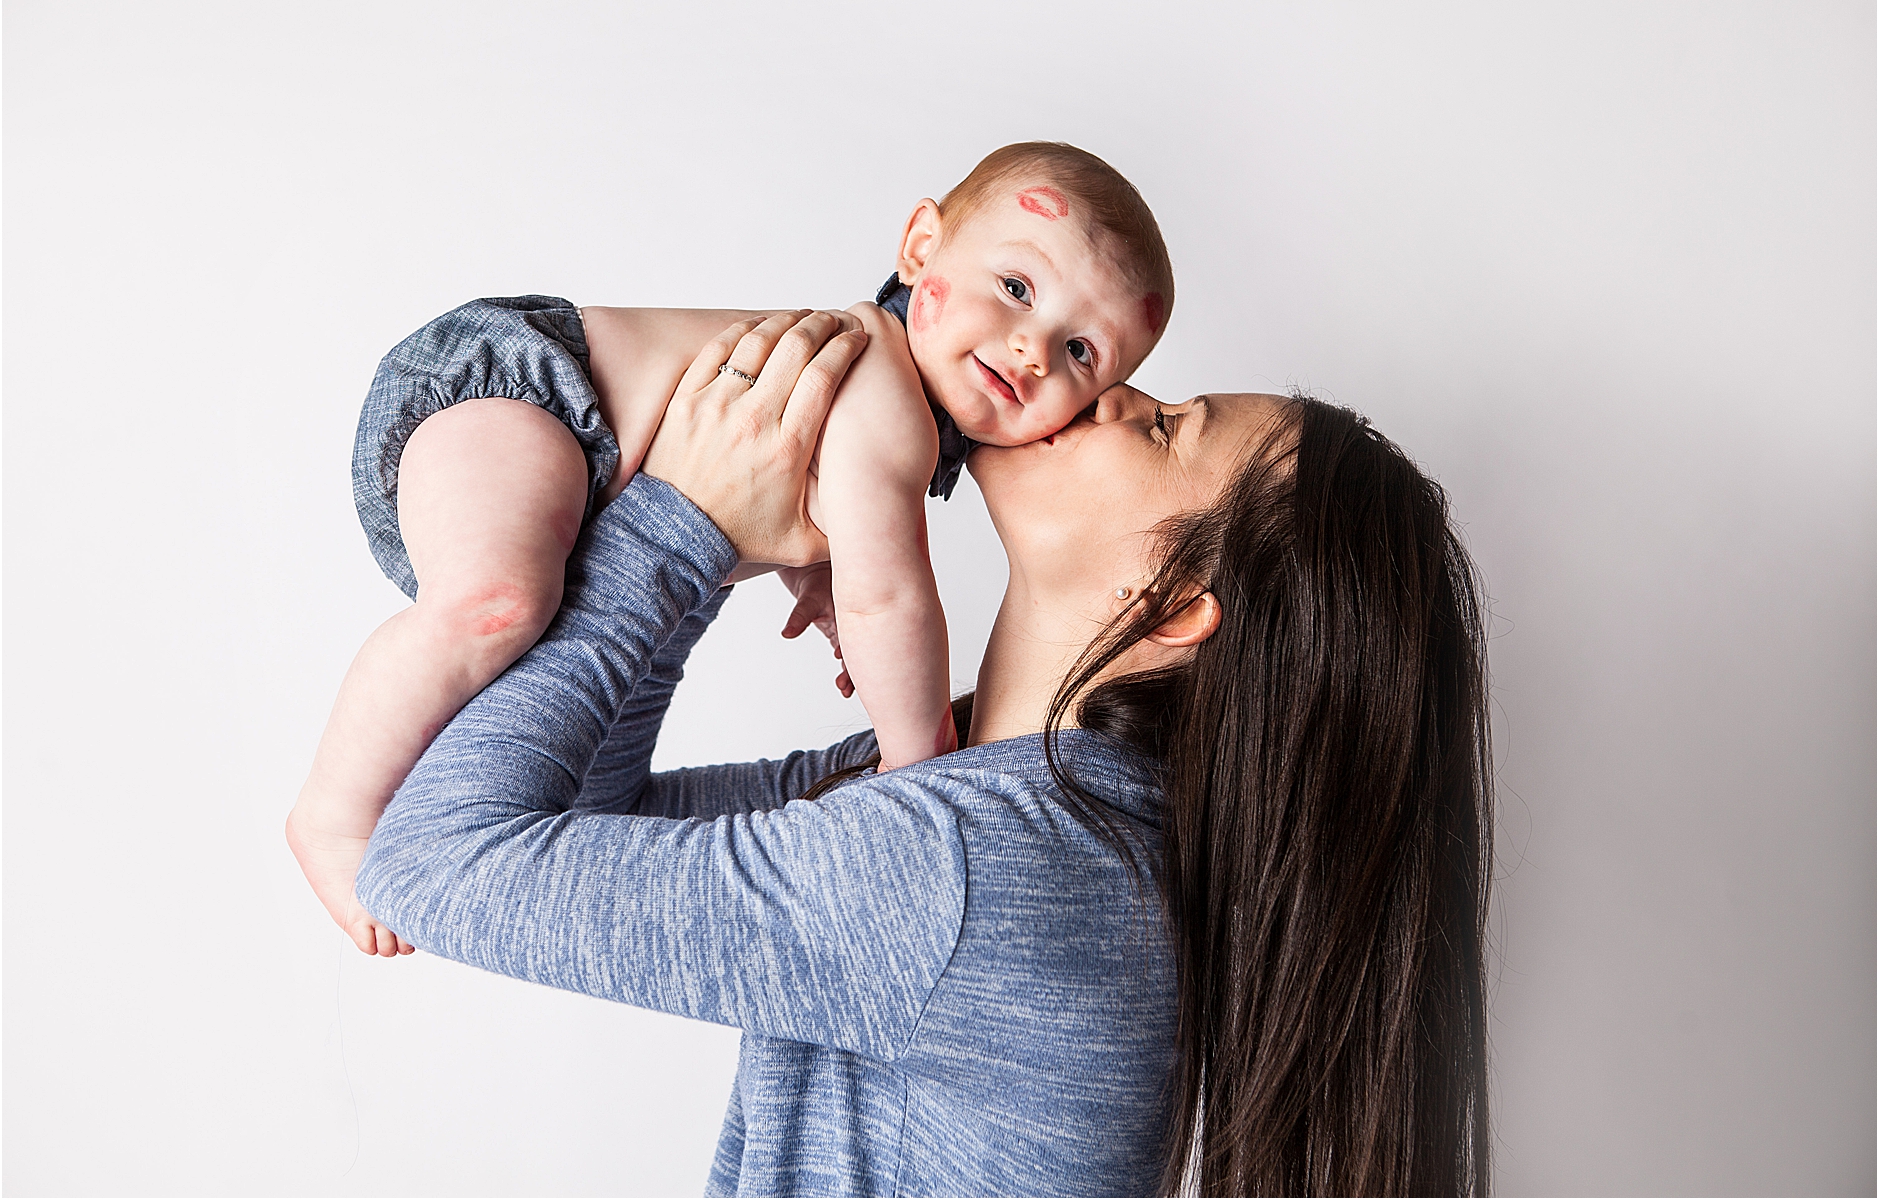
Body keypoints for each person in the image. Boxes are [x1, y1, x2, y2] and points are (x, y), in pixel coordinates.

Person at [356, 314, 1495, 1196]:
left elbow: (431, 856)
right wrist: (710, 545)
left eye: (1158, 428)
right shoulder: (991, 805)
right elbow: (587, 813)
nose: (1107, 393)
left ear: (1175, 602)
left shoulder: (976, 864)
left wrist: (679, 521)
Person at [289, 142, 1177, 957]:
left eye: (1080, 351)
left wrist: (813, 569)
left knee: (517, 630)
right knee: (495, 606)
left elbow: (788, 504)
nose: (1031, 350)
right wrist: (920, 765)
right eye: (1017, 288)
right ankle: (332, 815)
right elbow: (892, 601)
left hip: (545, 446)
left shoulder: (878, 401)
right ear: (920, 247)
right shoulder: (886, 391)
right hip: (523, 387)